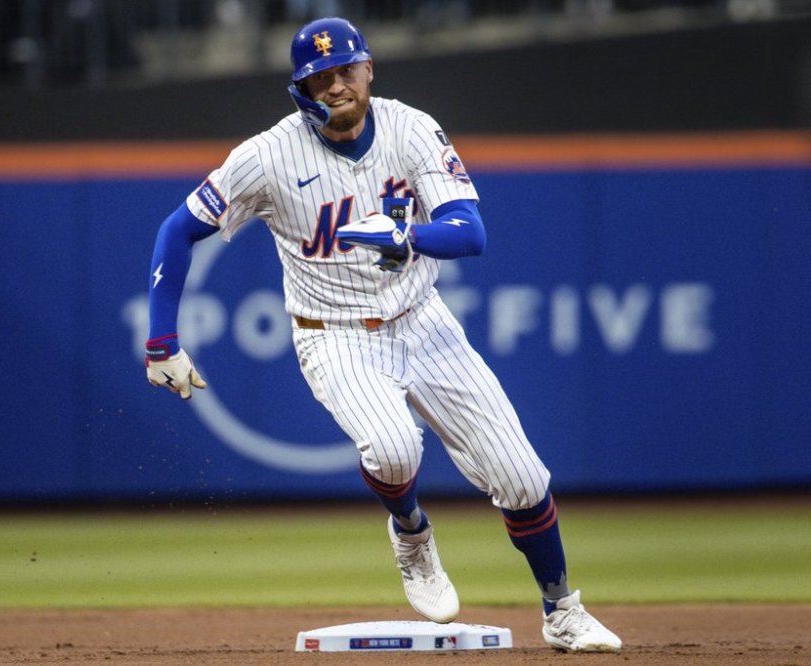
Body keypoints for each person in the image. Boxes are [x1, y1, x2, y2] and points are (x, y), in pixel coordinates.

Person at [145, 16, 622, 653]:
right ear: (301, 89)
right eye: (319, 77)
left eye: (345, 69)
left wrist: (408, 237)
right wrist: (161, 340)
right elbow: (177, 230)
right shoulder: (266, 155)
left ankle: (563, 610)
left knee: (523, 477)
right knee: (396, 450)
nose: (335, 85)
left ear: (368, 69)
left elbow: (470, 233)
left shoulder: (411, 128)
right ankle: (412, 533)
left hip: (423, 321)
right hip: (334, 335)